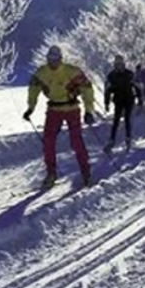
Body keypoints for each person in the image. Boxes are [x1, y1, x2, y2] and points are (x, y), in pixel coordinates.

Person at [24, 45, 96, 189]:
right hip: (54, 109)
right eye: (51, 59)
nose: (53, 62)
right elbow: (33, 90)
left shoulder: (71, 71)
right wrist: (30, 108)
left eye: (56, 59)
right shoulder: (41, 73)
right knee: (48, 141)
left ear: (61, 58)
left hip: (72, 108)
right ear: (47, 59)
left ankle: (86, 172)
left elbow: (87, 88)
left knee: (76, 141)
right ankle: (51, 173)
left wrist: (89, 110)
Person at [104, 55, 143, 152]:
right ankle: (112, 140)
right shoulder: (111, 76)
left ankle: (128, 138)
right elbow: (108, 91)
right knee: (116, 120)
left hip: (129, 99)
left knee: (127, 119)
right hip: (118, 100)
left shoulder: (129, 74)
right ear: (115, 64)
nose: (119, 66)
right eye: (117, 64)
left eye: (120, 64)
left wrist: (139, 99)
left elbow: (137, 87)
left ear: (123, 64)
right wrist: (107, 103)